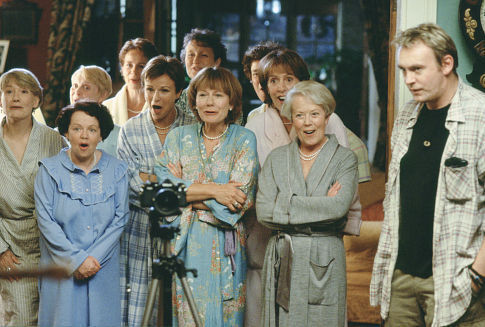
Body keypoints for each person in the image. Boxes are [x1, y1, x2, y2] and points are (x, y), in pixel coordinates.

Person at [370, 23, 485, 326]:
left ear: (447, 63)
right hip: (401, 280)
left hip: (455, 281)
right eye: (404, 70)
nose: (408, 80)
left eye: (418, 69)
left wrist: (477, 276)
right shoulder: (407, 115)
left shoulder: (481, 115)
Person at [243, 48, 362, 326]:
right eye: (273, 80)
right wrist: (319, 203)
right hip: (269, 240)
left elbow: (339, 201)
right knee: (269, 314)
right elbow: (262, 204)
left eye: (288, 78)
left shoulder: (333, 126)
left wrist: (284, 203)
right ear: (263, 85)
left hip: (322, 244)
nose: (281, 87)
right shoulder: (256, 123)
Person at [155, 66, 258, 326]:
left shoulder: (244, 139)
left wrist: (186, 193)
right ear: (194, 101)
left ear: (232, 102)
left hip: (226, 249)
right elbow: (164, 194)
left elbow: (239, 200)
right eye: (203, 95)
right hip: (187, 244)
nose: (210, 102)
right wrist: (216, 190)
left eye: (219, 95)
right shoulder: (178, 137)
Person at [34, 101, 129, 326]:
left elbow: (120, 218)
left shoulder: (118, 170)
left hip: (102, 268)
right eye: (77, 129)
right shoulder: (48, 171)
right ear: (66, 132)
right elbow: (46, 222)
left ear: (101, 135)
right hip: (63, 270)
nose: (84, 136)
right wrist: (77, 260)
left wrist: (93, 259)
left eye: (92, 130)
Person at [117, 54, 185, 326]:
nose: (155, 97)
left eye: (164, 90)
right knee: (140, 308)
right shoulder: (130, 130)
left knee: (181, 306)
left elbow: (195, 180)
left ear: (178, 92)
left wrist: (152, 177)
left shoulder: (190, 127)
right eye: (150, 89)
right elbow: (131, 185)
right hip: (139, 229)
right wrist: (173, 183)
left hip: (182, 228)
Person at [0, 68, 65, 326]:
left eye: (24, 91)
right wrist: (1, 249)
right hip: (11, 246)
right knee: (21, 318)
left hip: (50, 244)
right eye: (8, 91)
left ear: (36, 100)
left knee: (53, 318)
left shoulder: (54, 140)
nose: (15, 97)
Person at [177, 28, 242, 126]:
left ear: (217, 62)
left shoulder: (228, 98)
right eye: (191, 54)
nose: (195, 61)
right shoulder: (176, 98)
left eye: (203, 55)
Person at [103, 37, 158, 125]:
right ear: (122, 68)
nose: (134, 71)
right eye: (129, 65)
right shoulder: (106, 108)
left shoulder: (163, 108)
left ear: (152, 70)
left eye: (141, 66)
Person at [70, 65, 119, 156]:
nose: (77, 91)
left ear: (103, 95)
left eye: (86, 87)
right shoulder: (58, 134)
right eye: (75, 86)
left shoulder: (119, 135)